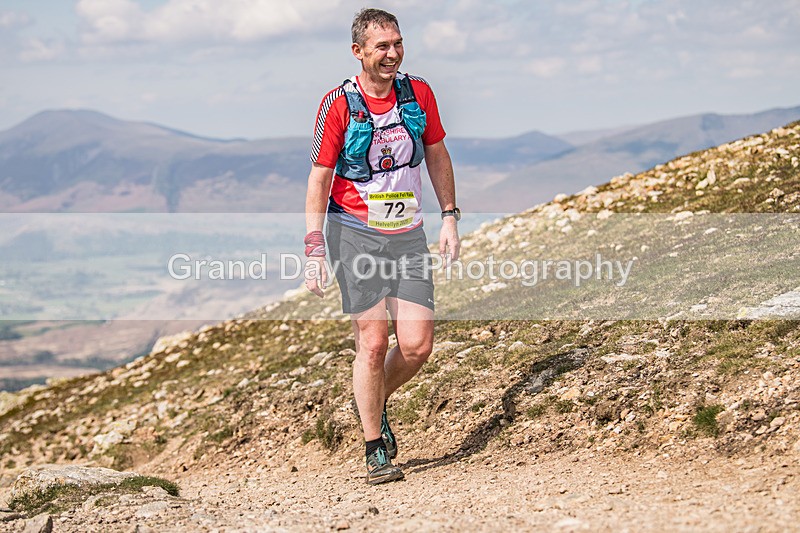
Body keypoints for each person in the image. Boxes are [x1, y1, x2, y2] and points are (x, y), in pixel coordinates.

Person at [304, 8, 460, 485]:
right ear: (358, 52)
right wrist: (314, 246)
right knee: (372, 343)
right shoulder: (338, 104)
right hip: (354, 231)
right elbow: (320, 177)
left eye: (397, 43)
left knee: (416, 345)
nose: (392, 54)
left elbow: (436, 153)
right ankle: (375, 448)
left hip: (407, 232)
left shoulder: (418, 93)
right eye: (381, 47)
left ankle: (372, 399)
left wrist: (449, 216)